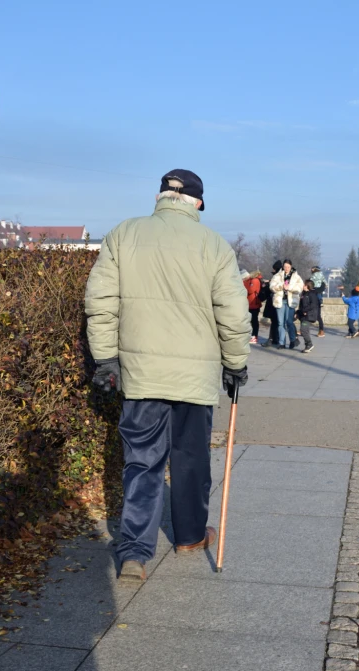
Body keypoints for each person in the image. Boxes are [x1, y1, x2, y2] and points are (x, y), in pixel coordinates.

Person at [85, 169, 250, 583]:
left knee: (141, 462)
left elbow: (100, 302)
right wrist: (235, 363)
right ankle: (191, 536)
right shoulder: (213, 245)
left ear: (160, 197)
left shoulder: (124, 234)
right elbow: (232, 314)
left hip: (141, 375)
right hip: (194, 377)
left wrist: (106, 359)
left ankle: (135, 553)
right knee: (191, 459)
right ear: (197, 203)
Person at [270, 259, 304, 349]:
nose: (286, 268)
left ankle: (293, 339)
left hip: (291, 301)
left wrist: (290, 287)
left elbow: (300, 287)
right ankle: (282, 342)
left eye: (288, 267)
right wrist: (281, 286)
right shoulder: (277, 276)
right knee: (280, 322)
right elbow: (272, 287)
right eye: (285, 267)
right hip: (280, 301)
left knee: (289, 322)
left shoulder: (296, 277)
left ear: (291, 266)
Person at [297, 280, 320, 354]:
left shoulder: (312, 294)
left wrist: (305, 310)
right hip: (304, 315)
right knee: (304, 331)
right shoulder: (304, 294)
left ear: (307, 286)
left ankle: (309, 344)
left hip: (309, 315)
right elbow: (301, 306)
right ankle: (307, 345)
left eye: (304, 285)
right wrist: (298, 312)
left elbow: (313, 305)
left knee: (303, 330)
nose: (303, 286)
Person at [260, 261, 280, 347]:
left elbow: (272, 288)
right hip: (275, 301)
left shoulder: (277, 278)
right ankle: (275, 339)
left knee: (275, 322)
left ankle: (271, 339)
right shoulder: (279, 277)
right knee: (276, 321)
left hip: (274, 302)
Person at [243, 270, 263, 344]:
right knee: (250, 320)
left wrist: (244, 283)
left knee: (254, 320)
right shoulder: (251, 280)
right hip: (250, 303)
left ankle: (254, 336)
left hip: (254, 303)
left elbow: (250, 290)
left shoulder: (255, 281)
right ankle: (252, 335)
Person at [309, 265, 326, 337]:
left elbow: (311, 282)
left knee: (308, 314)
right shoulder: (321, 275)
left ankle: (303, 329)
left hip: (313, 295)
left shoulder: (314, 276)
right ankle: (321, 330)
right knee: (318, 316)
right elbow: (324, 282)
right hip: (318, 295)